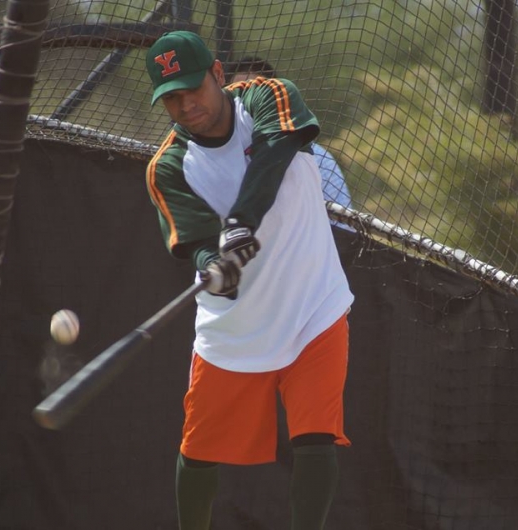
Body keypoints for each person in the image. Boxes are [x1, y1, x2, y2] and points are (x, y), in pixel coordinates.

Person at [144, 31, 354, 530]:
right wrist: (212, 271)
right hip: (235, 326)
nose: (186, 104)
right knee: (198, 453)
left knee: (315, 437)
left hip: (313, 302)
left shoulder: (268, 95)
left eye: (193, 87)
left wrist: (241, 219)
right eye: (171, 97)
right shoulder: (168, 167)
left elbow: (276, 149)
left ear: (218, 74)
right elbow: (192, 241)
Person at [226, 57, 354, 218]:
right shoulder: (214, 152)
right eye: (241, 92)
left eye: (259, 91)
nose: (251, 99)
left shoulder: (317, 156)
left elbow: (345, 226)